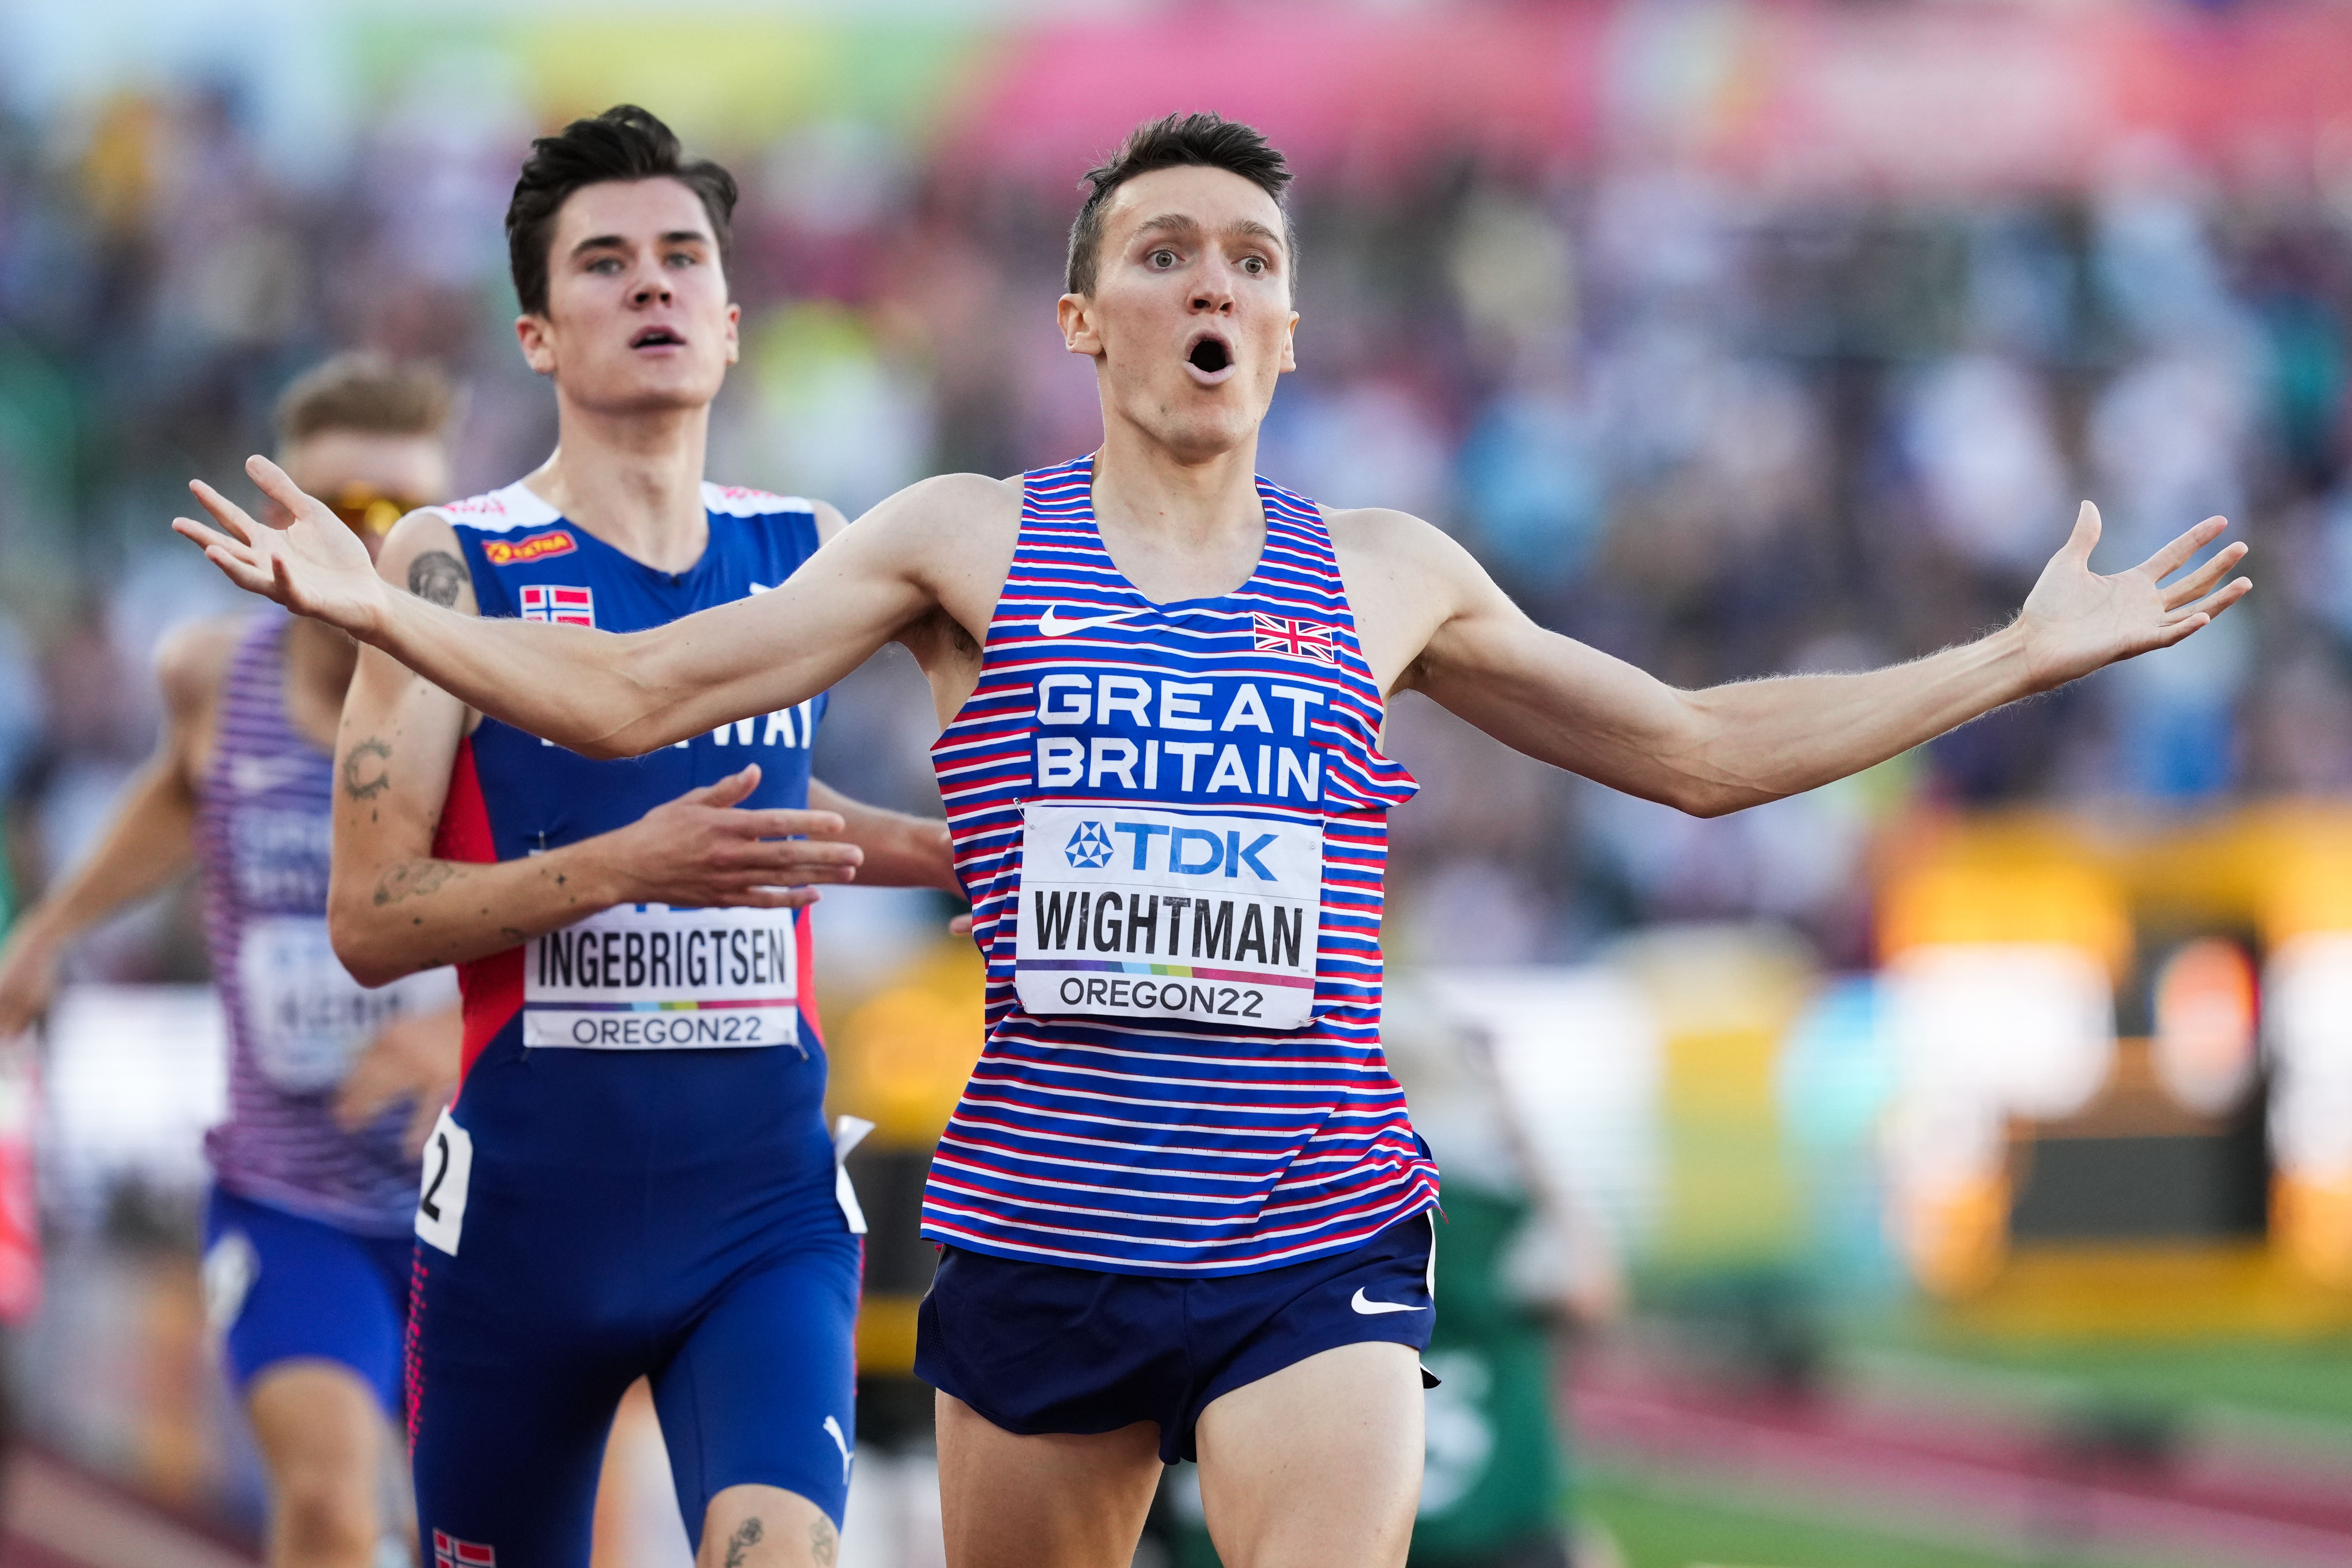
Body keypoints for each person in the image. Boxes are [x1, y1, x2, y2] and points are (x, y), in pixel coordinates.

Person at [175, 111, 2252, 1568]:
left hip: (1313, 1220)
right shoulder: (961, 540)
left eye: (1251, 259)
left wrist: (2000, 658)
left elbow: (1699, 745)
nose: (1211, 283)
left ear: (1287, 330)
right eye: (1162, 251)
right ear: (1083, 319)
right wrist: (389, 610)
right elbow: (634, 696)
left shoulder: (1388, 571)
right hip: (1034, 1236)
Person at [242, 108, 954, 1568]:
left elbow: (761, 830)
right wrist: (623, 872)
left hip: (760, 1209)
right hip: (523, 1228)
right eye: (607, 264)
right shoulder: (449, 561)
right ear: (536, 338)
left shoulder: (812, 548)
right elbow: (372, 916)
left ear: (734, 320)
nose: (653, 287)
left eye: (683, 258)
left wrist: (966, 858)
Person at [0, 352, 463, 1568]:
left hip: (471, 1198)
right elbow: (173, 793)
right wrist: (48, 932)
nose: (361, 545)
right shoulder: (214, 676)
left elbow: (588, 889)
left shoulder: (487, 697)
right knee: (325, 1502)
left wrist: (456, 1031)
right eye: (336, 511)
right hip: (287, 1191)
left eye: (400, 518)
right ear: (279, 519)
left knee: (489, 1528)